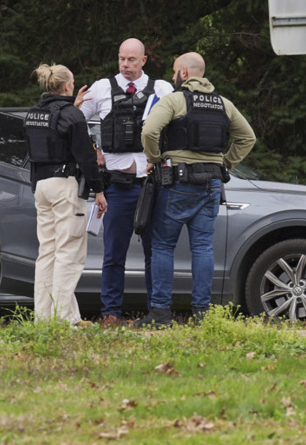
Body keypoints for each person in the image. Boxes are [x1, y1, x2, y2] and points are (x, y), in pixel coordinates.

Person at [139, 52, 257, 327]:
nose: (171, 76)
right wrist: (225, 163)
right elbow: (247, 137)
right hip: (212, 183)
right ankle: (202, 314)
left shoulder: (174, 100)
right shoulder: (224, 104)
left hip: (178, 182)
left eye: (173, 71)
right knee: (203, 247)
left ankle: (160, 315)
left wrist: (154, 159)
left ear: (183, 73)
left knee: (163, 246)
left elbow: (149, 132)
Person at [76, 38, 174, 328]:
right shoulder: (102, 88)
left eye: (132, 59)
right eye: (121, 59)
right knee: (114, 252)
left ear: (144, 60)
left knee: (153, 252)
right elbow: (75, 123)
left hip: (151, 184)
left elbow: (176, 127)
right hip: (117, 185)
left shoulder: (162, 89)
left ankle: (154, 313)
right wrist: (95, 151)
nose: (125, 65)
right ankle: (111, 313)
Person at [26, 63, 106, 325]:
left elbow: (53, 136)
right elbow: (86, 156)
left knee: (47, 252)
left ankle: (45, 318)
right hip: (65, 187)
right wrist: (99, 190)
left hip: (41, 187)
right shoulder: (72, 115)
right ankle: (63, 321)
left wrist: (76, 107)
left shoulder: (34, 113)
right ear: (69, 86)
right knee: (69, 253)